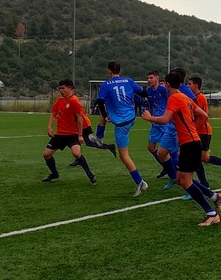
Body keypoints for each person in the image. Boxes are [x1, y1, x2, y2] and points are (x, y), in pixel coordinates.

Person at [141, 72, 221, 226]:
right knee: (180, 180)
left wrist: (150, 117)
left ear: (167, 84)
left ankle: (211, 214)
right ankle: (215, 197)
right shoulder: (185, 98)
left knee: (186, 182)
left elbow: (165, 119)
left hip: (190, 144)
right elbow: (204, 115)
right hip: (191, 142)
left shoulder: (174, 98)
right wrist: (193, 129)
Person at [95, 61, 149, 197]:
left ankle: (140, 182)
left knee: (124, 156)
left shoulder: (106, 85)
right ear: (120, 70)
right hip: (131, 117)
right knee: (104, 114)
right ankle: (99, 136)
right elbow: (143, 92)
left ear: (109, 71)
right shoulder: (129, 81)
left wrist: (105, 115)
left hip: (121, 123)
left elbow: (100, 101)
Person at [42, 79, 96, 184]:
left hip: (72, 134)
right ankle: (54, 174)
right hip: (60, 134)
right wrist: (49, 126)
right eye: (60, 88)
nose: (61, 90)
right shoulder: (60, 101)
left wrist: (80, 135)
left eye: (63, 88)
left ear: (70, 88)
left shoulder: (74, 101)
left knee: (76, 153)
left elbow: (79, 118)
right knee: (46, 154)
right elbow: (53, 114)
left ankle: (90, 174)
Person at [187, 76, 221, 186]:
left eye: (190, 84)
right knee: (202, 158)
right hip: (200, 131)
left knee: (197, 158)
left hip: (203, 131)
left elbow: (203, 117)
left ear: (196, 85)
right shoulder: (193, 98)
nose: (188, 86)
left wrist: (193, 130)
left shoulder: (200, 98)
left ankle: (204, 183)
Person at [142, 70, 180, 186]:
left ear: (157, 79)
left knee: (171, 149)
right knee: (151, 147)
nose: (149, 80)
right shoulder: (149, 91)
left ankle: (174, 173)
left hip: (165, 122)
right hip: (155, 122)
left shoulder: (163, 90)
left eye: (151, 78)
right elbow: (150, 105)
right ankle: (167, 167)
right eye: (148, 78)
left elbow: (170, 103)